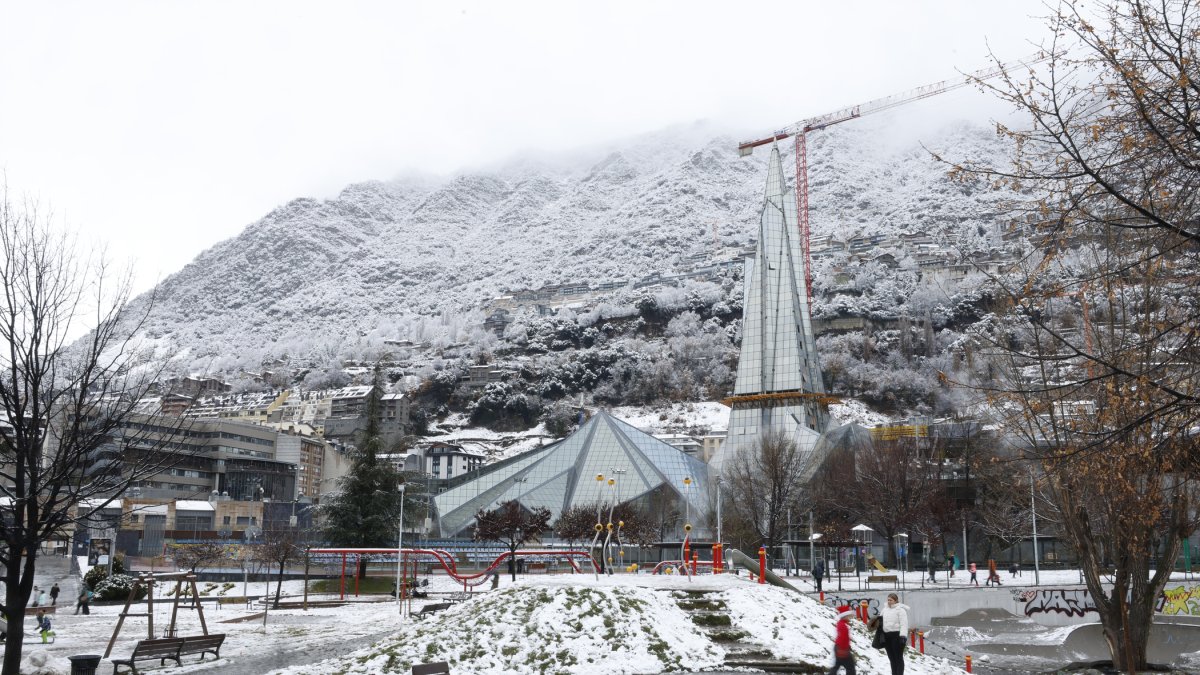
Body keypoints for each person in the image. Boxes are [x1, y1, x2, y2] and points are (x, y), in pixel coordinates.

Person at [880, 593, 910, 675]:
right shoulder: (884, 610)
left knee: (898, 658)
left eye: (891, 600)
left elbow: (904, 624)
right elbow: (880, 622)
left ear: (896, 600)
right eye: (888, 600)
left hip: (897, 636)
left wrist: (903, 636)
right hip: (887, 637)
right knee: (891, 658)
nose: (889, 602)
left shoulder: (900, 610)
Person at [829, 605, 856, 675]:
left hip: (838, 648)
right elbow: (842, 639)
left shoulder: (841, 623)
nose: (850, 617)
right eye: (849, 615)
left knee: (836, 667)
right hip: (842, 649)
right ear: (845, 616)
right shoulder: (843, 626)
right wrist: (844, 649)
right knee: (851, 668)